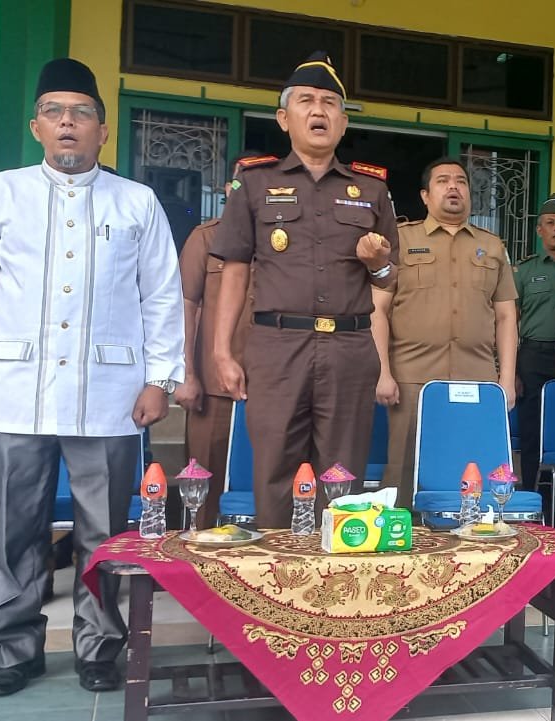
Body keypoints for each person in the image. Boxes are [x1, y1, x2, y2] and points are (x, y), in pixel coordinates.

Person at [0, 58, 184, 696]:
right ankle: (12, 649)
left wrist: (161, 378)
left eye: (81, 113)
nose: (67, 122)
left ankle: (99, 647)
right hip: (11, 391)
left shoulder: (136, 201)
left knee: (104, 532)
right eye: (54, 112)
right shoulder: (0, 193)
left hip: (111, 395)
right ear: (36, 128)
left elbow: (162, 295)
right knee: (17, 526)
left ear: (104, 129)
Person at [208, 52, 398, 527]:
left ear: (343, 122)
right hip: (277, 347)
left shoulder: (371, 191)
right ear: (284, 118)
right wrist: (222, 352)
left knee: (342, 476)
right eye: (307, 101)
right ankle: (278, 569)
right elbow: (235, 269)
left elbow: (389, 279)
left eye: (330, 103)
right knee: (275, 470)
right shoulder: (255, 183)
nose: (319, 111)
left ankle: (335, 569)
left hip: (349, 348)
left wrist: (377, 265)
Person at [372, 158, 518, 508]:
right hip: (412, 377)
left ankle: (468, 539)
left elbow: (506, 316)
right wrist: (382, 372)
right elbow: (378, 309)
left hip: (477, 377)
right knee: (404, 471)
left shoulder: (492, 246)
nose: (453, 187)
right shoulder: (401, 239)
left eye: (461, 181)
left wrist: (506, 380)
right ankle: (403, 537)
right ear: (425, 195)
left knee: (472, 466)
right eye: (443, 181)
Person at [175, 152, 266, 528]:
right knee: (203, 486)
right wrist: (186, 374)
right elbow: (185, 305)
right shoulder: (206, 237)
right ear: (229, 189)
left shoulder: (286, 242)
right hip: (213, 386)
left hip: (272, 386)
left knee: (266, 484)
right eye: (242, 183)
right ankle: (197, 553)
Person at [514, 193, 555, 521]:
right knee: (533, 430)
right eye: (550, 223)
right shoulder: (525, 271)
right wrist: (512, 371)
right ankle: (533, 503)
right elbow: (511, 321)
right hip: (533, 357)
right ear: (539, 230)